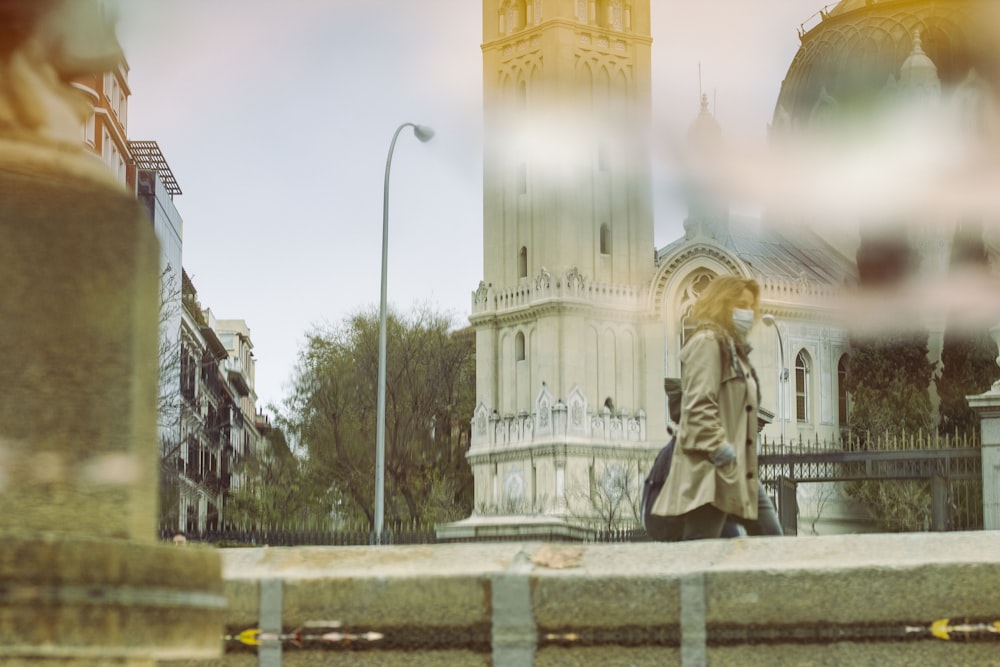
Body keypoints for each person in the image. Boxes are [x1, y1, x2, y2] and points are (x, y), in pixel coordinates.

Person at [650, 275, 782, 540]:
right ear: (722, 304)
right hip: (709, 472)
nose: (747, 313)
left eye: (750, 307)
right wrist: (722, 450)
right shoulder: (708, 343)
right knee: (702, 554)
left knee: (772, 540)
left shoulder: (735, 351)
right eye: (739, 305)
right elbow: (698, 406)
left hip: (738, 473)